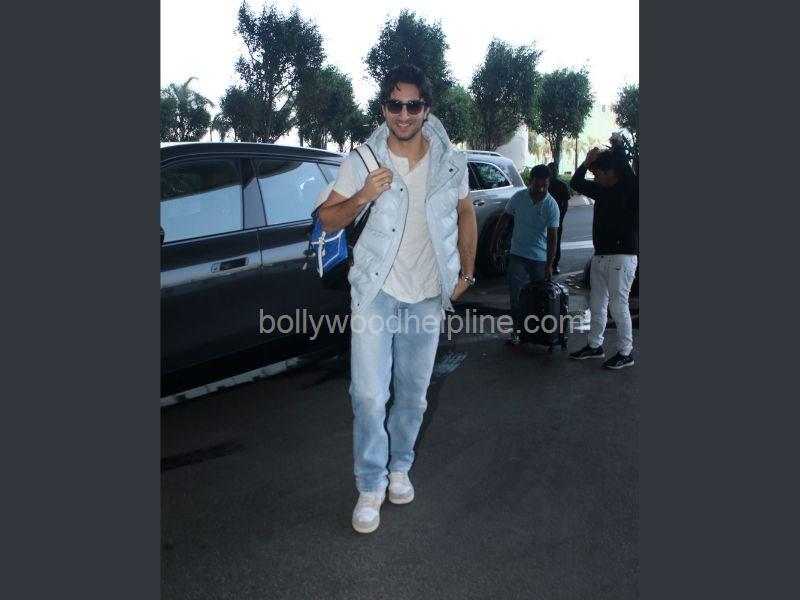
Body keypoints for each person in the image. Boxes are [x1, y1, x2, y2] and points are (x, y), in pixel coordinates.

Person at [318, 64, 477, 534]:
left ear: (426, 109)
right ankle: (370, 483)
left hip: (427, 294)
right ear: (383, 107)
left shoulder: (451, 162)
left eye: (412, 105)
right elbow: (327, 219)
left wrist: (466, 273)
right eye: (394, 104)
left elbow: (466, 214)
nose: (403, 114)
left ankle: (399, 467)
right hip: (376, 293)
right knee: (369, 394)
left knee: (412, 395)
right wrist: (362, 196)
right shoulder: (362, 160)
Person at [568, 144, 638, 369]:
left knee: (618, 305)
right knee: (597, 303)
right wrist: (587, 162)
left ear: (611, 172)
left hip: (622, 255)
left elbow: (624, 168)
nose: (595, 179)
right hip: (600, 255)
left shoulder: (629, 188)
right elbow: (575, 183)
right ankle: (594, 345)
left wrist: (617, 146)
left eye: (597, 174)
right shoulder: (601, 190)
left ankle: (625, 353)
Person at [491, 164, 560, 346]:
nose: (541, 189)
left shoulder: (551, 205)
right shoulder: (519, 197)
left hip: (540, 259)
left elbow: (553, 237)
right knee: (516, 296)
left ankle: (538, 333)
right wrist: (495, 242)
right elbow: (504, 218)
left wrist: (549, 265)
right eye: (538, 185)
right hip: (518, 255)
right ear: (531, 181)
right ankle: (517, 330)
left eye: (545, 186)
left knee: (540, 298)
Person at [547, 162, 572, 274]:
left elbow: (565, 204)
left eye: (554, 169)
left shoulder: (561, 185)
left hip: (557, 219)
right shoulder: (545, 185)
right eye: (551, 169)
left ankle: (554, 264)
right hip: (545, 218)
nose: (553, 171)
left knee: (555, 241)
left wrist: (561, 217)